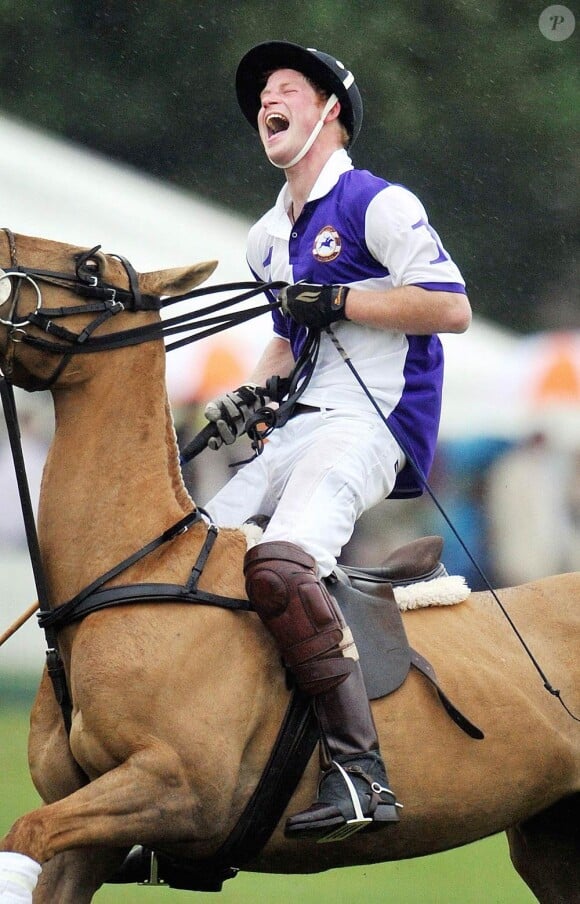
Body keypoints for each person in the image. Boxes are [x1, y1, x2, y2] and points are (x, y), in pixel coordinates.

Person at [201, 41, 472, 842]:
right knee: (198, 559)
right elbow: (289, 340)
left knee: (282, 564)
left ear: (331, 112)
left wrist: (344, 297)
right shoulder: (263, 239)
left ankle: (360, 773)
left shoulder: (377, 203)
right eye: (260, 98)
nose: (267, 104)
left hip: (372, 424)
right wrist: (249, 392)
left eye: (286, 90)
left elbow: (450, 307)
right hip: (297, 425)